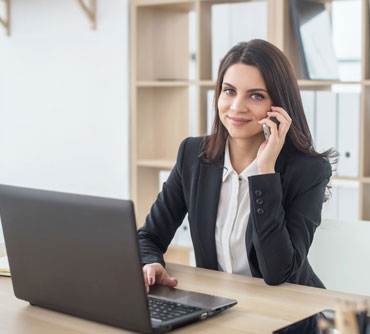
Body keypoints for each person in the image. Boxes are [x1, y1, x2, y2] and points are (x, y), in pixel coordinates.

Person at [137, 39, 333, 293]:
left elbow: (278, 273)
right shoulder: (193, 155)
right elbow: (148, 237)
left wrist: (266, 172)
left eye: (255, 95)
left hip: (289, 310)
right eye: (229, 91)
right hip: (221, 306)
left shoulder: (309, 170)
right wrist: (151, 263)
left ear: (279, 105)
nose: (237, 107)